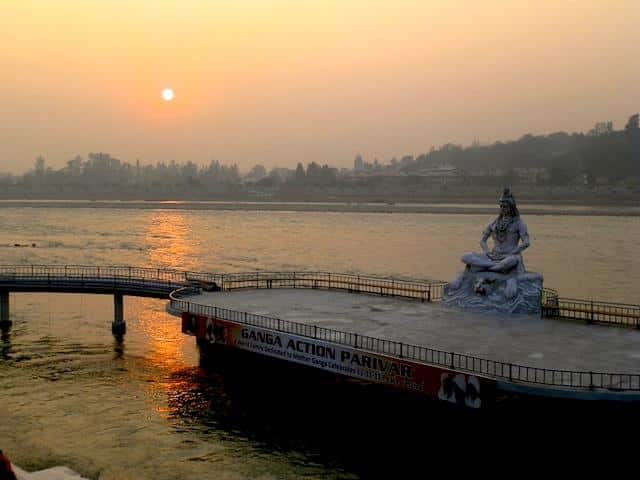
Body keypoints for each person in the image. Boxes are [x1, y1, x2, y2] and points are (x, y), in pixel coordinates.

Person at [460, 187, 530, 274]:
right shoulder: (495, 223)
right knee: (465, 257)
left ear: (511, 207)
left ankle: (486, 268)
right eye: (501, 206)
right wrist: (487, 252)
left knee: (510, 261)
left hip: (509, 256)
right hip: (493, 256)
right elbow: (482, 241)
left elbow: (526, 242)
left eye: (505, 206)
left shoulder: (518, 223)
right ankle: (492, 266)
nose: (502, 208)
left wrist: (512, 253)